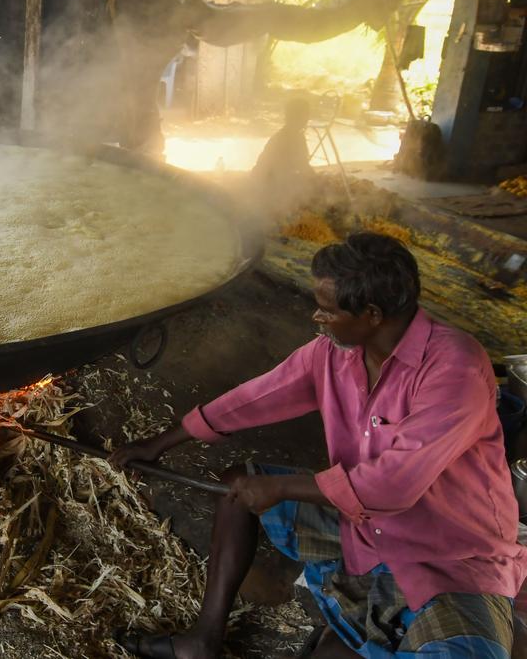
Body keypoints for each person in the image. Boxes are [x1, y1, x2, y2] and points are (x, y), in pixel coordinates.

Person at [112, 232, 527, 658]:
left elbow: (392, 485)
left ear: (371, 314)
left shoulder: (455, 366)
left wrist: (283, 488)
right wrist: (160, 443)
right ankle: (201, 641)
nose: (316, 317)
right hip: (365, 529)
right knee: (239, 487)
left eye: (327, 310)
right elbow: (255, 398)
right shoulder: (332, 355)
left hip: (451, 557)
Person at [251, 98, 315, 212]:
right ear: (295, 116)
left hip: (272, 183)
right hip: (270, 189)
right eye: (305, 115)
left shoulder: (292, 135)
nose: (307, 119)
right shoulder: (289, 138)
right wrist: (316, 179)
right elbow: (300, 167)